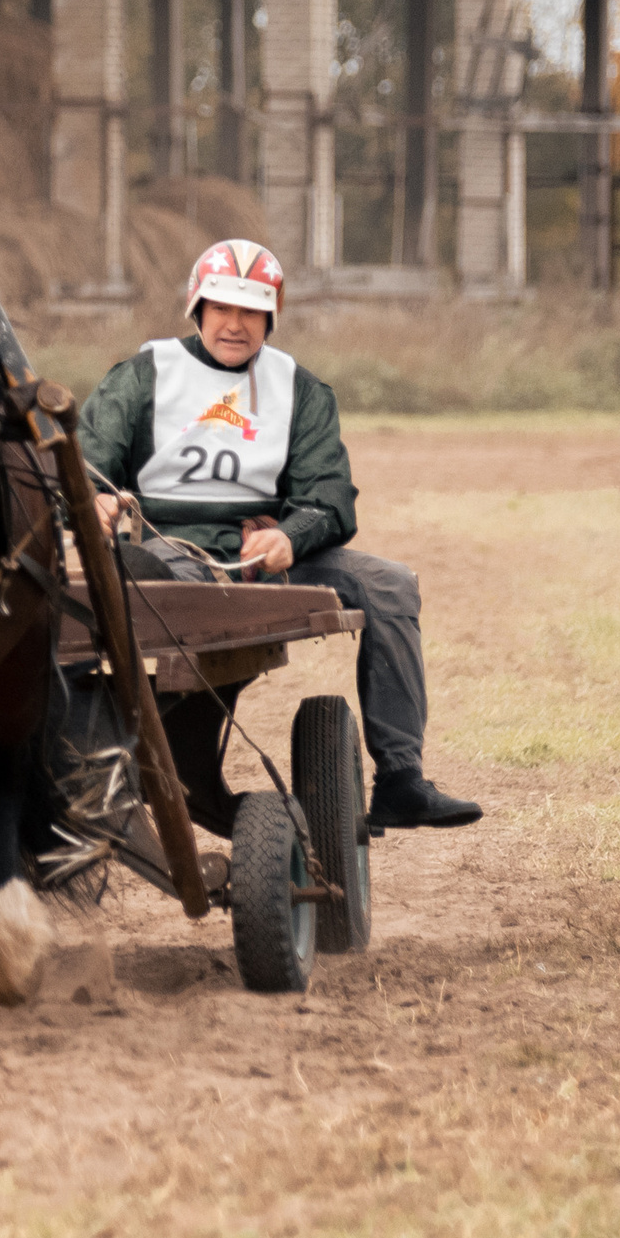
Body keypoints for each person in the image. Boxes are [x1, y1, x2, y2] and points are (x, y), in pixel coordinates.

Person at [77, 239, 481, 831]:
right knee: (170, 592)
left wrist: (292, 535)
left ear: (271, 317)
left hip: (268, 552)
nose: (234, 324)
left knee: (390, 584)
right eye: (222, 308)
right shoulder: (141, 376)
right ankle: (135, 759)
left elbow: (330, 496)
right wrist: (95, 499)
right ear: (197, 308)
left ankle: (401, 779)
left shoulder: (302, 391)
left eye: (251, 311)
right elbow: (87, 465)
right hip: (172, 546)